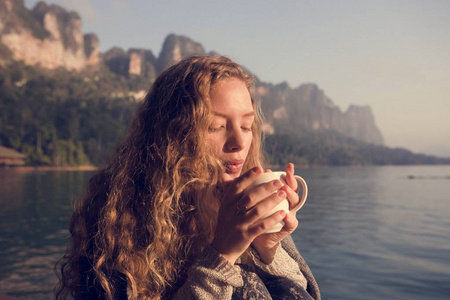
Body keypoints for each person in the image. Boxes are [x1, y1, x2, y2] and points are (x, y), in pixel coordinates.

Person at [55, 55, 320, 300]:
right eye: (215, 126)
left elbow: (300, 291)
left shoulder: (246, 206)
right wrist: (222, 256)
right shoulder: (117, 223)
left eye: (246, 126)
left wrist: (268, 248)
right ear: (170, 136)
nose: (239, 142)